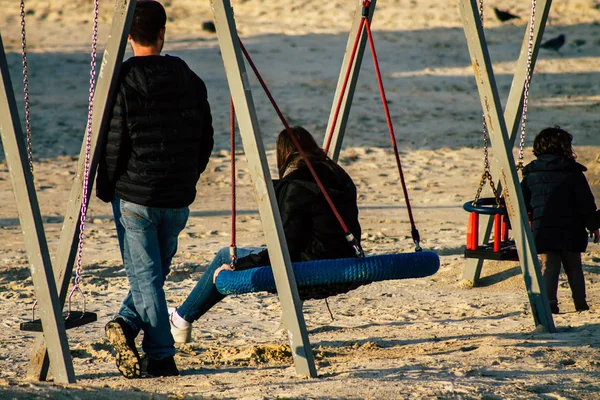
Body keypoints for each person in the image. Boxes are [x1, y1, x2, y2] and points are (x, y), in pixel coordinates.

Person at [95, 0, 214, 378]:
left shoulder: (122, 80)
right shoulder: (190, 78)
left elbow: (113, 141)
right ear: (164, 33)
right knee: (152, 276)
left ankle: (161, 355)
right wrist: (189, 177)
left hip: (135, 195)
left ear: (128, 36)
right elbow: (205, 139)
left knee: (146, 278)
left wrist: (106, 185)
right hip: (177, 196)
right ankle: (126, 325)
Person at [169, 126, 362, 343]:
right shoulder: (340, 176)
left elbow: (286, 250)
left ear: (284, 154)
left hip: (311, 270)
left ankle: (181, 319)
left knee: (226, 256)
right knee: (258, 251)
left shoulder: (295, 187)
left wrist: (238, 265)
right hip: (346, 261)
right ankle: (182, 317)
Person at [521, 126, 600, 314]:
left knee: (549, 266)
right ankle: (580, 303)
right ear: (565, 148)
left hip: (544, 229)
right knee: (574, 267)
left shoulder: (531, 174)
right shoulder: (573, 173)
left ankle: (550, 305)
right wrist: (594, 226)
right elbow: (586, 205)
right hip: (572, 229)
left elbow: (522, 203)